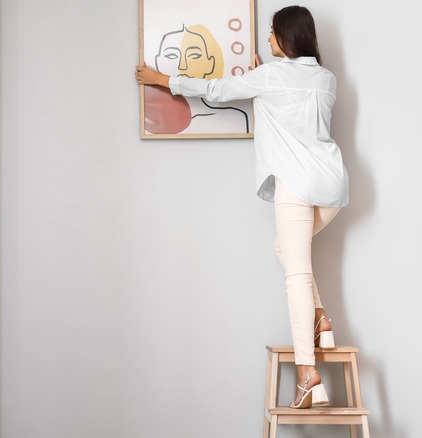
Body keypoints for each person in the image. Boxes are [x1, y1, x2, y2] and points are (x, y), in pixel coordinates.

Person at [135, 5, 349, 409]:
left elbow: (216, 90)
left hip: (297, 185)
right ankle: (322, 318)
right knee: (286, 251)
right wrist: (261, 78)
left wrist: (160, 79)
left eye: (271, 34)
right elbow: (289, 106)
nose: (267, 40)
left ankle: (308, 374)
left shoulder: (270, 77)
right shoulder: (326, 79)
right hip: (332, 183)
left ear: (285, 37)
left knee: (296, 273)